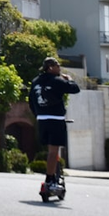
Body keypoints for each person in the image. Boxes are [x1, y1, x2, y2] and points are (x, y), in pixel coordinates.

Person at [29, 57, 80, 190]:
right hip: (55, 119)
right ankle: (49, 180)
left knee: (49, 151)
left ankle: (52, 176)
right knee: (53, 151)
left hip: (42, 119)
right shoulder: (57, 81)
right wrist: (69, 79)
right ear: (50, 67)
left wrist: (39, 115)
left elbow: (31, 102)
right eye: (57, 65)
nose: (60, 68)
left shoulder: (35, 81)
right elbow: (75, 89)